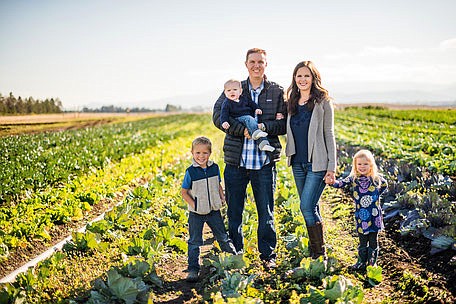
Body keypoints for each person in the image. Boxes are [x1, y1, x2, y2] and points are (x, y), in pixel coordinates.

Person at [212, 48, 287, 269]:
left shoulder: (276, 91)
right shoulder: (234, 87)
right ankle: (236, 254)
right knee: (235, 211)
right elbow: (218, 116)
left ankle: (268, 256)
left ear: (266, 64)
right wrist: (241, 130)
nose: (256, 65)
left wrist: (262, 127)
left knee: (266, 211)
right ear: (246, 64)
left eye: (260, 62)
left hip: (263, 163)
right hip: (237, 162)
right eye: (252, 62)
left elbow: (283, 124)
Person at [285, 61, 336, 259]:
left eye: (307, 76)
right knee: (311, 207)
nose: (302, 79)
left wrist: (331, 167)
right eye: (299, 76)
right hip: (297, 163)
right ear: (294, 79)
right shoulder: (292, 101)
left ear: (314, 78)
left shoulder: (323, 101)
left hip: (317, 164)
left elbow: (329, 133)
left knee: (306, 207)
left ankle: (318, 254)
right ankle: (318, 251)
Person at [181, 136, 237, 282]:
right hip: (196, 214)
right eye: (198, 153)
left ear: (210, 153)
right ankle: (193, 270)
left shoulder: (215, 168)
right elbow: (184, 192)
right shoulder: (191, 172)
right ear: (192, 153)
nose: (201, 156)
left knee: (223, 236)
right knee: (194, 241)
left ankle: (234, 261)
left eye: (205, 153)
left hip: (213, 211)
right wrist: (195, 205)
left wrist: (222, 196)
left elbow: (218, 184)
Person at [328, 149, 388, 271]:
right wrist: (331, 181)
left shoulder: (376, 179)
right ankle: (361, 262)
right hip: (362, 215)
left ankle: (372, 264)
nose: (362, 167)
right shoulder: (353, 178)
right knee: (362, 240)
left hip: (374, 215)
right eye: (359, 164)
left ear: (371, 165)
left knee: (373, 240)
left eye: (365, 164)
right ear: (355, 165)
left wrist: (376, 196)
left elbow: (385, 185)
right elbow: (340, 184)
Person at [221, 79, 275, 152]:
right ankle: (256, 134)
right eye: (229, 90)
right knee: (249, 120)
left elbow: (252, 104)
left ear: (240, 91)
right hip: (238, 119)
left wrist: (257, 109)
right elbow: (224, 113)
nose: (232, 92)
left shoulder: (243, 99)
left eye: (235, 89)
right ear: (225, 93)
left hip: (248, 119)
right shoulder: (227, 103)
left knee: (258, 129)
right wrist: (224, 122)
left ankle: (263, 144)